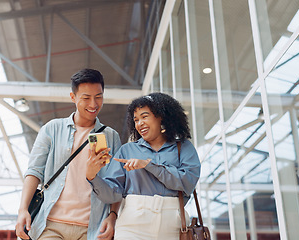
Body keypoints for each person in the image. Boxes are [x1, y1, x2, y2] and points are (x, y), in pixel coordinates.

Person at [15, 69, 122, 240]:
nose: (93, 104)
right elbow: (34, 171)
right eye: (86, 98)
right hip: (50, 225)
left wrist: (113, 215)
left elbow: (117, 183)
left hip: (92, 228)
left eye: (99, 97)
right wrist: (23, 210)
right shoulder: (52, 129)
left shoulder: (111, 136)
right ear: (73, 97)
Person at [86, 92, 201, 239]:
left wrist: (149, 165)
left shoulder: (183, 147)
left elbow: (188, 182)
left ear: (161, 117)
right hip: (132, 224)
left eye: (145, 117)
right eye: (136, 119)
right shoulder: (127, 150)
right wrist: (92, 176)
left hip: (174, 225)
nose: (139, 123)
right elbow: (112, 195)